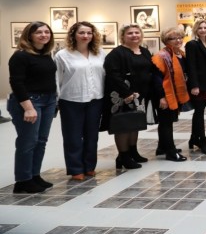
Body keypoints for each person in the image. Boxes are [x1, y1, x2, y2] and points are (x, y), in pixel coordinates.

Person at [8, 22, 57, 193]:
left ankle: (34, 175)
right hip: (29, 102)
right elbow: (16, 82)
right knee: (28, 142)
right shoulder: (20, 56)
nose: (44, 35)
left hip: (48, 100)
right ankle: (23, 180)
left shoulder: (45, 54)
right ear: (29, 35)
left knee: (41, 141)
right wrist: (28, 108)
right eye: (38, 32)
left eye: (46, 32)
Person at [55, 22, 106, 180]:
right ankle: (76, 168)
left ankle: (89, 166)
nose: (86, 36)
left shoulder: (100, 53)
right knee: (73, 136)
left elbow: (105, 75)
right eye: (81, 33)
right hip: (71, 100)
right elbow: (57, 79)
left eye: (89, 33)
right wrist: (56, 101)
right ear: (73, 35)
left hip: (96, 99)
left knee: (92, 135)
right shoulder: (62, 55)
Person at [102, 24, 153, 170]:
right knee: (123, 126)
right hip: (123, 96)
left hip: (140, 95)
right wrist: (127, 93)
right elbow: (113, 75)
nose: (134, 35)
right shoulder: (116, 53)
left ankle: (133, 152)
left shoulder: (144, 51)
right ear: (123, 36)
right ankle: (123, 156)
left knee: (134, 123)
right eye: (130, 33)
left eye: (137, 32)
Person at [151, 27, 189, 162]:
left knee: (167, 121)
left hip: (174, 92)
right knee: (166, 122)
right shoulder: (161, 56)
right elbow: (157, 79)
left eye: (180, 37)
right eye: (174, 38)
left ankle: (162, 147)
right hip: (165, 94)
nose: (178, 40)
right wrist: (162, 97)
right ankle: (171, 152)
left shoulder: (180, 54)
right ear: (166, 40)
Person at [184, 20, 206, 154]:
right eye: (200, 28)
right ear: (196, 30)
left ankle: (193, 138)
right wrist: (194, 85)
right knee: (199, 112)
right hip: (199, 84)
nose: (203, 30)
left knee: (199, 111)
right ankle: (202, 139)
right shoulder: (192, 44)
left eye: (205, 27)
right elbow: (191, 66)